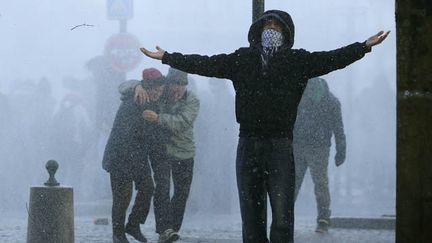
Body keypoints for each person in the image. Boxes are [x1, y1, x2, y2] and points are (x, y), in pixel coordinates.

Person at [139, 9, 389, 243]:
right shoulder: (243, 59)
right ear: (257, 31)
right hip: (248, 143)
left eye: (277, 26)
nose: (271, 29)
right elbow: (207, 63)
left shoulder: (297, 61)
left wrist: (364, 47)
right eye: (267, 24)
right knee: (252, 215)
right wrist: (168, 57)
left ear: (286, 32)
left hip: (280, 145)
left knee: (282, 216)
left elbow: (333, 58)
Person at [120, 68, 200, 243]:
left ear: (186, 86)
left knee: (181, 194)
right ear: (167, 84)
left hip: (184, 152)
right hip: (161, 150)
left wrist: (158, 118)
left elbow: (183, 122)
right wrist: (137, 87)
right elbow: (123, 86)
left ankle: (172, 230)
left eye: (182, 85)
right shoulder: (161, 93)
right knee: (162, 190)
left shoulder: (192, 100)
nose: (177, 89)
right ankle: (165, 229)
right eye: (174, 84)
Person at [102, 68, 168, 243]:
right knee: (122, 197)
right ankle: (118, 234)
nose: (157, 93)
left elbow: (149, 135)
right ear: (146, 87)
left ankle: (133, 224)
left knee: (147, 188)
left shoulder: (151, 103)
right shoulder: (134, 101)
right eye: (154, 89)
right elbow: (127, 135)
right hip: (120, 157)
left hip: (137, 157)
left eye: (160, 90)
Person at [293, 77, 346, 233]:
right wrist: (341, 150)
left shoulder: (299, 96)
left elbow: (289, 122)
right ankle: (323, 220)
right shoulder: (331, 101)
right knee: (321, 184)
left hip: (298, 145)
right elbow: (338, 128)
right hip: (320, 147)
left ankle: (284, 218)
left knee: (292, 184)